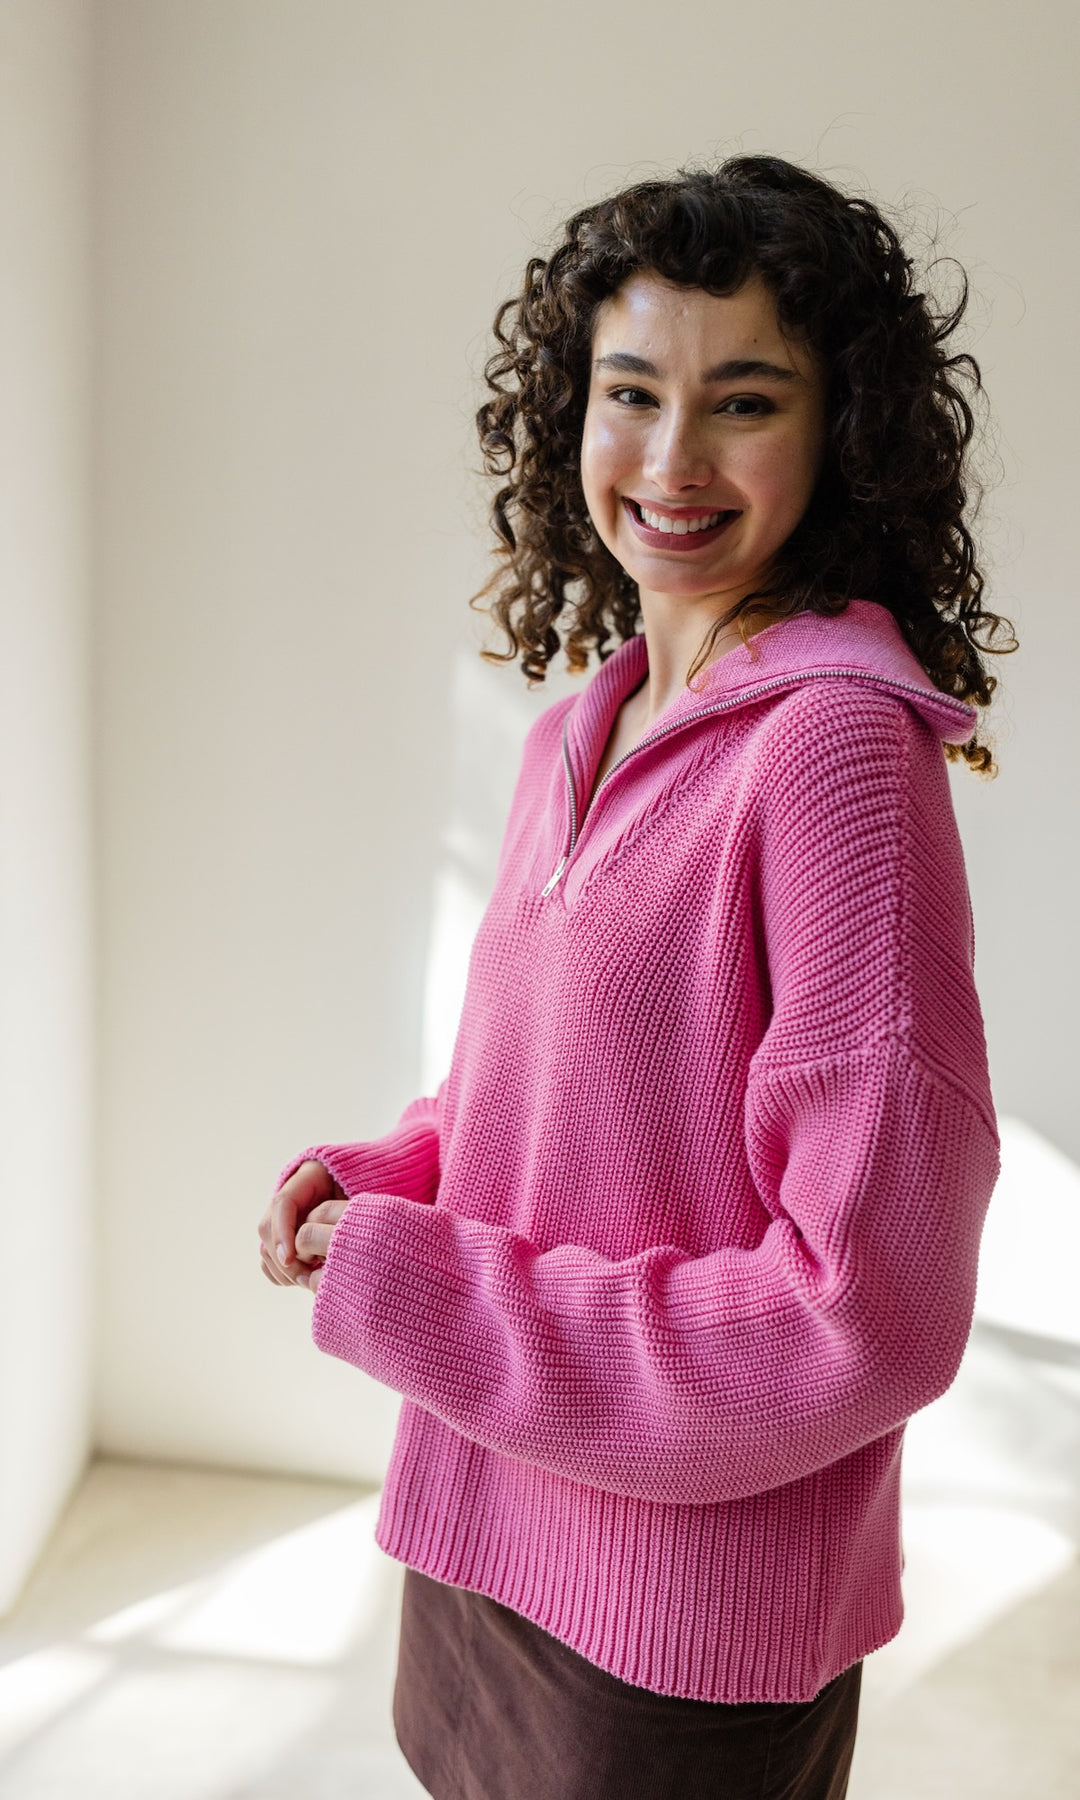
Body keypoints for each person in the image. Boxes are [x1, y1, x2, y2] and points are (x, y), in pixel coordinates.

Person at [257, 154, 1016, 1799]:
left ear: (843, 434)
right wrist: (394, 1174)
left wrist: (430, 1292)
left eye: (744, 401)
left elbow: (868, 1309)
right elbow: (543, 1089)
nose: (673, 462)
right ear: (569, 418)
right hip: (484, 1532)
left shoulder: (835, 759)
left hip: (673, 1631)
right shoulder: (581, 727)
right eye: (630, 394)